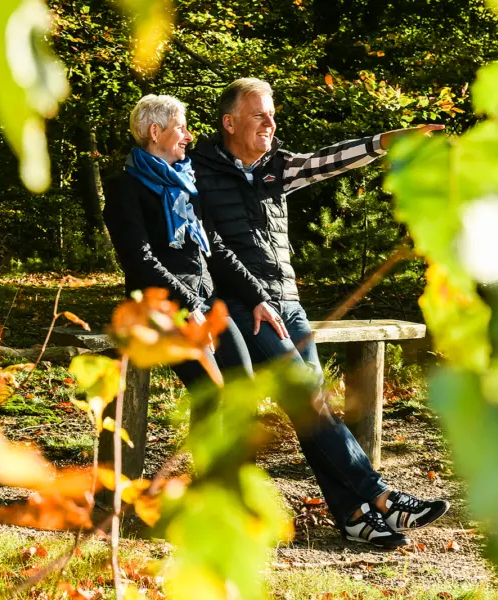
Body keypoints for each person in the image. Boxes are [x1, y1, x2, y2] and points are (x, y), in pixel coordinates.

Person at [190, 77, 448, 549]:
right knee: (308, 398)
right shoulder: (198, 171)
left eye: (272, 114)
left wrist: (382, 143)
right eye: (259, 115)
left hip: (288, 301)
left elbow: (327, 161)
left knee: (314, 409)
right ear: (229, 123)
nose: (271, 123)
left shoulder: (276, 167)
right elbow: (204, 246)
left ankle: (352, 516)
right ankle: (379, 495)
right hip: (245, 307)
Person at [103, 93, 282, 422]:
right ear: (155, 132)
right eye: (181, 128)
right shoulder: (125, 189)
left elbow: (213, 246)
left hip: (203, 301)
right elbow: (140, 262)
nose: (189, 136)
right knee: (211, 392)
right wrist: (190, 307)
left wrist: (257, 296)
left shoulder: (186, 185)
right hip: (160, 308)